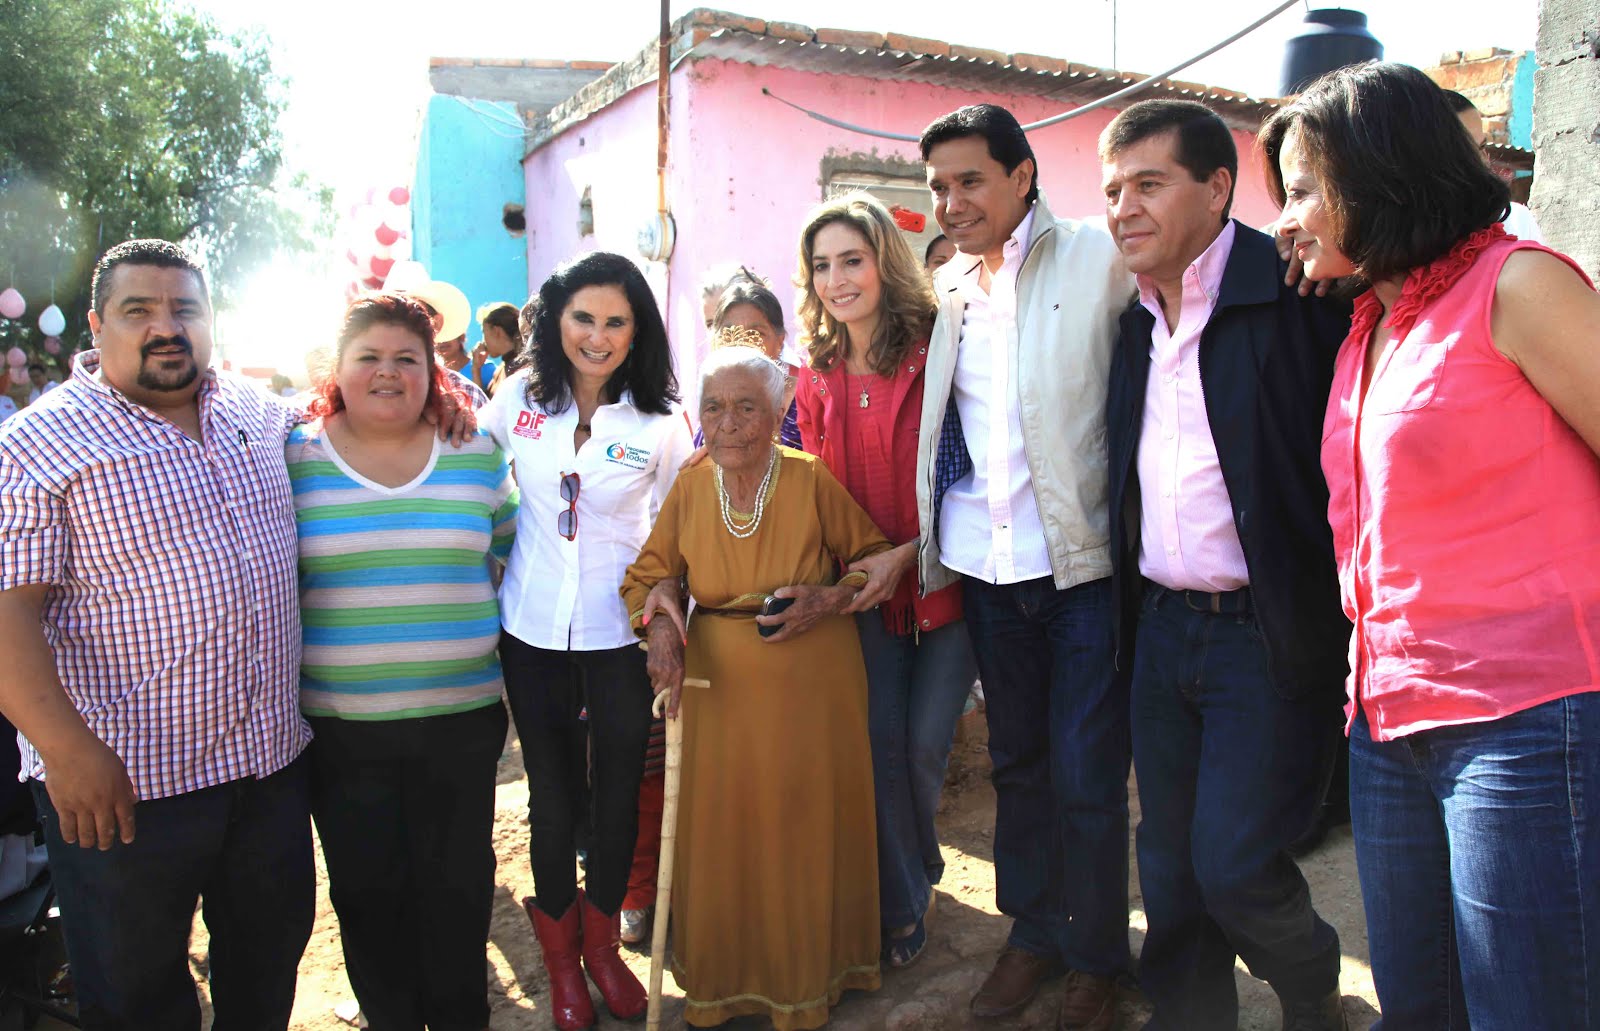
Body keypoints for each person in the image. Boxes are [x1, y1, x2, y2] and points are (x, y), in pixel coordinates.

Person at [1262, 62, 1600, 1027]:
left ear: (1380, 171)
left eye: (1302, 190)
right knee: (1419, 1005)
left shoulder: (1518, 285)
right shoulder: (1370, 326)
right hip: (1387, 721)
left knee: (1528, 1007)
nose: (1286, 220)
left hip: (1526, 718)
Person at [0, 239, 317, 1029]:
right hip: (124, 790)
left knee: (266, 972)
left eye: (184, 308)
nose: (166, 327)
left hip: (268, 774)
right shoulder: (38, 444)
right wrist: (67, 751)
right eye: (138, 310)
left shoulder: (253, 410)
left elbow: (348, 418)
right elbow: (8, 612)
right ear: (97, 324)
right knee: (137, 1001)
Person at [1099, 99, 1351, 1031]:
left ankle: (1313, 988)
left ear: (1216, 189)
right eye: (1113, 190)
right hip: (1162, 627)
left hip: (1264, 630)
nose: (1124, 207)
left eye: (1148, 184)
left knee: (1235, 861)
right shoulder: (1135, 322)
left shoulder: (1296, 293)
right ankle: (1191, 1015)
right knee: (1168, 864)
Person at [914, 103, 1134, 1030]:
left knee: (1087, 772)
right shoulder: (949, 288)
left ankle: (1098, 957)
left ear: (1022, 176)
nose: (952, 202)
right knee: (1019, 765)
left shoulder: (1099, 257)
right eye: (938, 187)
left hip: (1078, 566)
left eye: (970, 180)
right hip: (986, 569)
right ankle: (1035, 934)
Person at [621, 345, 888, 1030]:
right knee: (727, 829)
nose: (729, 423)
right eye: (714, 407)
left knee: (803, 823)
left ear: (776, 414)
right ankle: (727, 984)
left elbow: (873, 558)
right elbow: (649, 575)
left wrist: (830, 598)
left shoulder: (808, 477)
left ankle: (809, 980)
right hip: (719, 691)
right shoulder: (690, 486)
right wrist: (660, 625)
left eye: (747, 407)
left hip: (814, 685)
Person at [286, 293, 518, 1031]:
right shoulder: (293, 459)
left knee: (458, 891)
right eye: (369, 357)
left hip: (460, 723)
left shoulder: (475, 454)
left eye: (405, 359)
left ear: (432, 370)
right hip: (341, 730)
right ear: (337, 368)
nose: (388, 372)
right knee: (366, 896)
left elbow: (512, 551)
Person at [478, 251, 691, 1030]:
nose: (596, 337)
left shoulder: (661, 418)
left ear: (637, 331)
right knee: (552, 793)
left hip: (617, 631)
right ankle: (564, 966)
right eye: (583, 318)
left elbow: (678, 529)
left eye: (615, 322)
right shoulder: (515, 399)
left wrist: (667, 615)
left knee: (618, 795)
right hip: (530, 629)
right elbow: (469, 470)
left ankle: (604, 949)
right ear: (556, 320)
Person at [792, 192, 977, 968]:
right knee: (880, 746)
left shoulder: (939, 352)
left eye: (852, 260)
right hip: (860, 597)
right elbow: (808, 482)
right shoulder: (815, 372)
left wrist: (907, 554)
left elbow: (970, 472)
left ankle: (915, 866)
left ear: (883, 263)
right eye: (822, 265)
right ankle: (903, 903)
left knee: (925, 745)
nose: (837, 279)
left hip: (946, 583)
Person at [710, 276, 801, 448]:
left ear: (780, 341)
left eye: (755, 334)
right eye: (730, 333)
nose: (743, 344)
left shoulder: (804, 401)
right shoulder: (711, 405)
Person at [1443, 89, 1545, 243]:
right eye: (1463, 151)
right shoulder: (1407, 240)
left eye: (1482, 146)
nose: (1483, 160)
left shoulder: (1516, 221)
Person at [475, 300, 523, 396]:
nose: (483, 341)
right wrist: (476, 369)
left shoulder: (518, 369)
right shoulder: (502, 369)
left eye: (484, 332)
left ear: (496, 331)